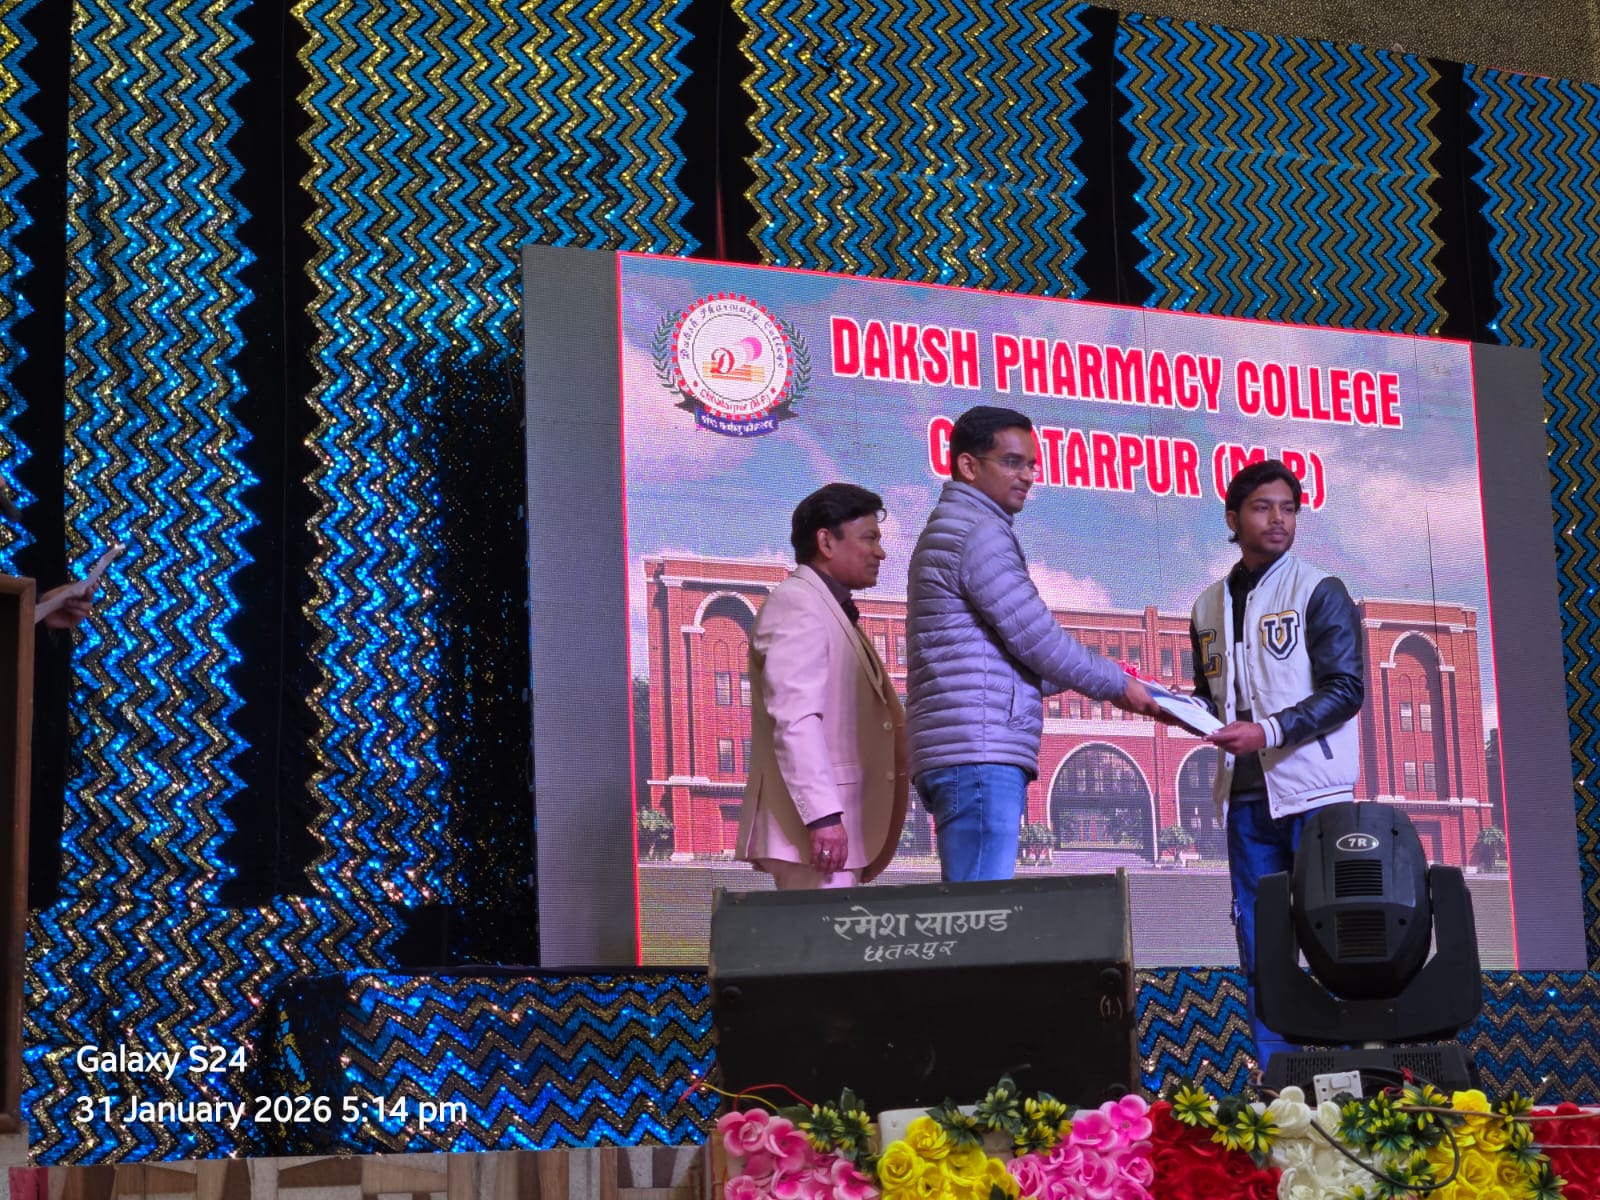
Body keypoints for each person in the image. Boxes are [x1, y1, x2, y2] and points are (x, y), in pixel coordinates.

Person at [905, 405, 1160, 882]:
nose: (1027, 476)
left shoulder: (958, 526)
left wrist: (1098, 675)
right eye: (1012, 462)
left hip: (968, 748)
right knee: (981, 913)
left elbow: (1008, 659)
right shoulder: (978, 531)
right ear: (968, 465)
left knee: (974, 908)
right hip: (979, 753)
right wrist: (1117, 684)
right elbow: (1037, 638)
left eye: (1031, 465)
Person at [1189, 458, 1364, 1068]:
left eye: (1288, 508)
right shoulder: (1206, 606)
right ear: (1233, 518)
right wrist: (1175, 709)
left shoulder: (1319, 590)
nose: (1278, 520)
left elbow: (1346, 690)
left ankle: (1354, 1071)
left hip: (1316, 795)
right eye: (1263, 507)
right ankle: (1278, 1075)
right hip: (1245, 799)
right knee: (1260, 940)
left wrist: (1268, 730)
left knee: (1337, 935)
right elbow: (1214, 698)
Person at [736, 483, 908, 889]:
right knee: (820, 933)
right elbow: (795, 719)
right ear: (826, 542)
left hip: (832, 837)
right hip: (815, 838)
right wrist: (823, 817)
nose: (880, 553)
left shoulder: (826, 606)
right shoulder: (798, 603)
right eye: (869, 539)